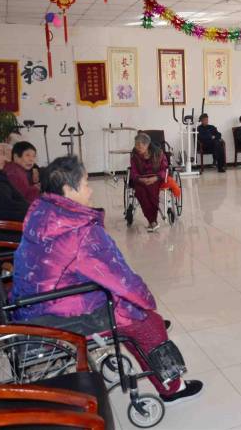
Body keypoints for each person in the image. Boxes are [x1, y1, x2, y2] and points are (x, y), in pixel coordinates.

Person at [11, 156, 203, 404]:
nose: (91, 190)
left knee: (133, 313)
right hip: (60, 312)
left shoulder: (42, 211)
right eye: (86, 183)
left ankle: (142, 337)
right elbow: (120, 279)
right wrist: (145, 302)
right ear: (68, 189)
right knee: (148, 322)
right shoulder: (80, 230)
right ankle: (173, 388)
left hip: (33, 304)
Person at [130, 133, 168, 232]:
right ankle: (152, 221)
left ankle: (152, 221)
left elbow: (164, 169)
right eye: (136, 145)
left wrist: (156, 178)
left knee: (152, 193)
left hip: (155, 178)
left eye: (140, 146)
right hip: (140, 180)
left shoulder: (158, 153)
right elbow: (133, 171)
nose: (138, 148)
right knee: (140, 192)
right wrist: (140, 179)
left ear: (147, 145)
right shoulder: (134, 155)